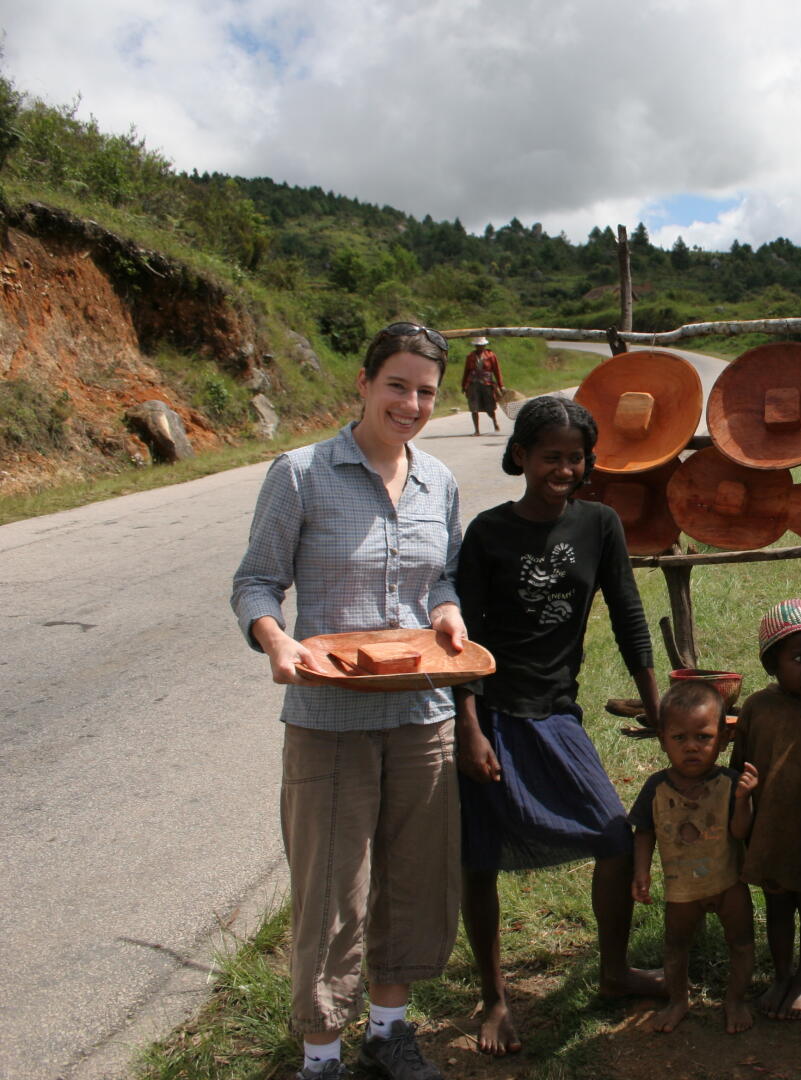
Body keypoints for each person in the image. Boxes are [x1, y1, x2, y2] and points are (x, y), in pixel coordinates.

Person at [231, 322, 466, 1080]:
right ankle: (322, 1053)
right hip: (328, 719)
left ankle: (389, 1031)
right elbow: (256, 582)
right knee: (331, 890)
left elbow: (444, 578)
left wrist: (448, 611)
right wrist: (276, 641)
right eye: (397, 384)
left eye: (426, 391)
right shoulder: (300, 473)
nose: (411, 403)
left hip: (422, 716)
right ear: (362, 383)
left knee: (414, 878)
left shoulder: (439, 480)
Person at [453, 394, 664, 1056]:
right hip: (491, 711)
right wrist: (469, 728)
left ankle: (612, 970)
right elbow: (464, 638)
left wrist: (654, 699)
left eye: (575, 458)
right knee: (479, 858)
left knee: (613, 835)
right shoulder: (487, 533)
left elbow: (628, 613)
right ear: (521, 456)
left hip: (555, 710)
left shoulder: (599, 525)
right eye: (550, 456)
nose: (563, 469)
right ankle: (493, 998)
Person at [630, 681, 759, 1034]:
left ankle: (735, 1000)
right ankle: (677, 1001)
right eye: (679, 738)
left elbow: (739, 833)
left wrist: (745, 799)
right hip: (681, 888)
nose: (691, 747)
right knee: (675, 946)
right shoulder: (656, 788)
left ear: (721, 738)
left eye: (703, 737)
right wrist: (641, 873)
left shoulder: (730, 783)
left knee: (742, 942)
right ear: (662, 740)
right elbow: (644, 832)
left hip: (728, 882)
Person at [730, 600, 801, 1021]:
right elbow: (740, 765)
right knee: (777, 908)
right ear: (772, 666)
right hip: (771, 829)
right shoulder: (759, 707)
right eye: (798, 658)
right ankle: (781, 974)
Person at [460, 336, 504, 436]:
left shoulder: (491, 355)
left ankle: (494, 421)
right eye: (478, 345)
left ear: (484, 345)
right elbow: (466, 372)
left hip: (487, 384)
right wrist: (464, 386)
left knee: (490, 407)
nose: (480, 347)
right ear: (475, 346)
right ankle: (477, 430)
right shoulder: (470, 356)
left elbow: (497, 371)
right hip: (473, 384)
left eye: (481, 345)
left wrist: (501, 385)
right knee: (474, 408)